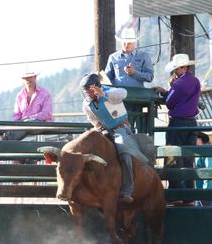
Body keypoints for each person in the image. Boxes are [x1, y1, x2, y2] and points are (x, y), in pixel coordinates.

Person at [80, 72, 148, 204]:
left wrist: (104, 94)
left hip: (121, 129)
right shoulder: (86, 104)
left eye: (89, 89)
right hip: (104, 131)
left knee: (124, 153)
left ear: (96, 86)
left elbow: (124, 93)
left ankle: (127, 190)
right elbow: (93, 119)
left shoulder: (110, 92)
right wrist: (99, 128)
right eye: (85, 90)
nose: (87, 92)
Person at [154, 53, 201, 200]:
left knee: (173, 156)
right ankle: (189, 195)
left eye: (176, 69)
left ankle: (174, 194)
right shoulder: (195, 81)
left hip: (178, 122)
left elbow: (169, 102)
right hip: (192, 122)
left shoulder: (178, 83)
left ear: (182, 68)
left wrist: (169, 88)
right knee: (188, 158)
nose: (174, 72)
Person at [104, 27, 154, 129]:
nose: (126, 45)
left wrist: (135, 73)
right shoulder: (113, 57)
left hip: (137, 99)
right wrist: (100, 78)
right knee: (120, 127)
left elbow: (150, 77)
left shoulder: (144, 56)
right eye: (124, 42)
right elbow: (107, 79)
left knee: (138, 127)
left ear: (134, 43)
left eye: (129, 42)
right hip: (119, 100)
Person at [0, 71, 53, 141]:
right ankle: (3, 139)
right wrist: (15, 124)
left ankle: (5, 142)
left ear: (35, 77)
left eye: (30, 77)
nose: (28, 79)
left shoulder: (45, 94)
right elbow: (17, 115)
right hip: (23, 123)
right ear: (23, 79)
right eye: (25, 78)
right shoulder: (20, 95)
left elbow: (47, 114)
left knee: (27, 124)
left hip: (41, 124)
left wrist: (30, 118)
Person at [195, 132, 212, 206]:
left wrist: (205, 192)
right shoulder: (200, 152)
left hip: (205, 192)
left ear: (199, 140)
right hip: (202, 191)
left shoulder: (206, 152)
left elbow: (209, 172)